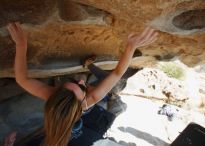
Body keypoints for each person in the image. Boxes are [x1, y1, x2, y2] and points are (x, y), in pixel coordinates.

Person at [6, 22, 158, 146]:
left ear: (56, 91)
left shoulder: (52, 95)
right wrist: (131, 46)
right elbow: (117, 74)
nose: (80, 80)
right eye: (82, 87)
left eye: (73, 82)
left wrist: (21, 44)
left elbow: (22, 79)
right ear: (84, 100)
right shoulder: (90, 100)